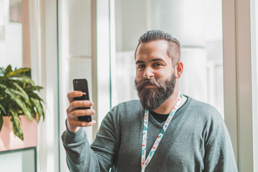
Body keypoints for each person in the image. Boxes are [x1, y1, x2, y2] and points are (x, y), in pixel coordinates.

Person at [62, 30, 238, 172]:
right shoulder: (119, 116)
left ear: (178, 70)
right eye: (141, 65)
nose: (147, 73)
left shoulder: (207, 120)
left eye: (157, 64)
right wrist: (73, 131)